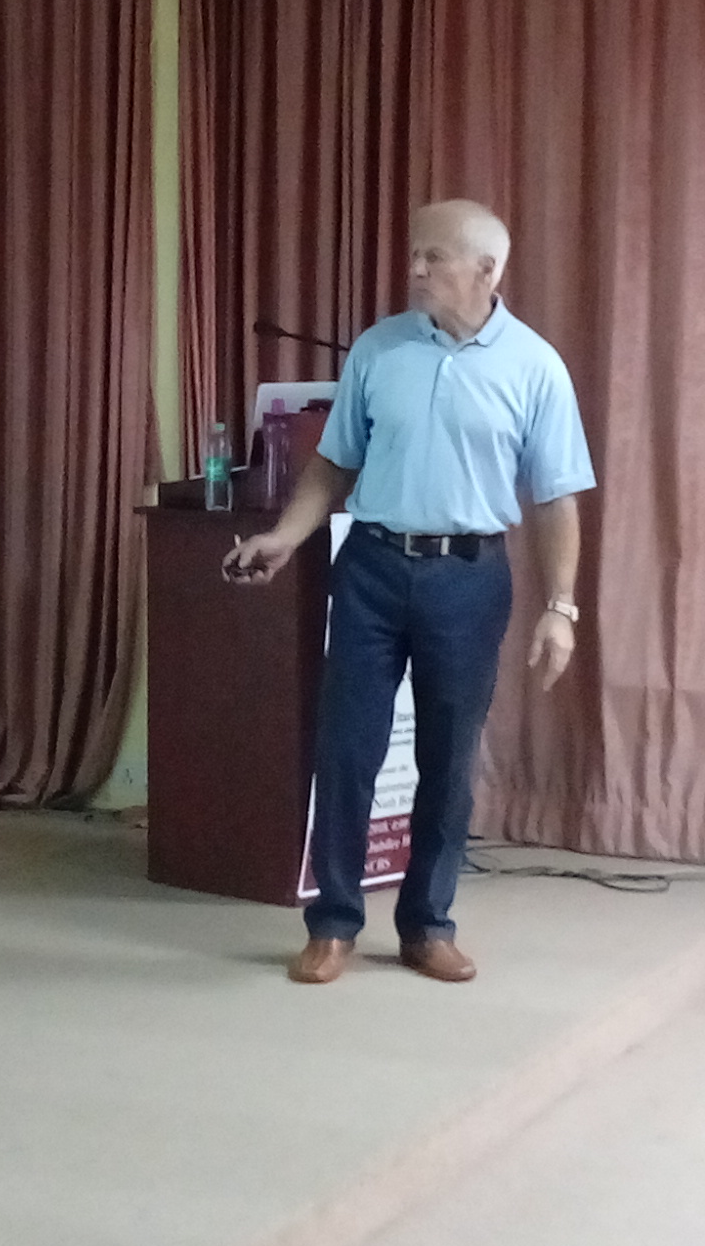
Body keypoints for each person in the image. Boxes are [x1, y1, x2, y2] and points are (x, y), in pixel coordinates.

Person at [222, 200, 593, 986]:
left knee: (448, 758)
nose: (415, 268)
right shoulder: (378, 348)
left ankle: (427, 925)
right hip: (372, 567)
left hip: (470, 578)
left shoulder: (536, 366)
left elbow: (557, 498)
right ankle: (333, 924)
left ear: (487, 270)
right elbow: (334, 463)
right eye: (415, 254)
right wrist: (286, 537)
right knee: (346, 749)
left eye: (433, 257)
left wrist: (560, 609)